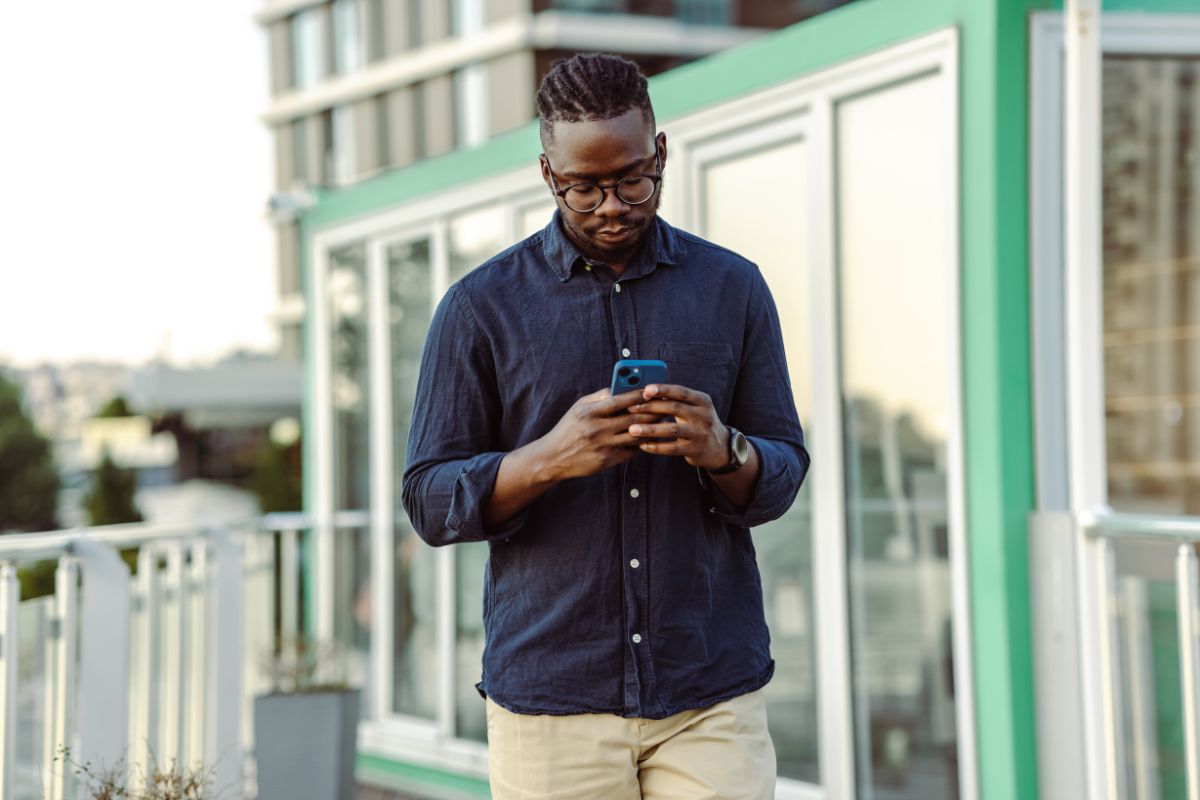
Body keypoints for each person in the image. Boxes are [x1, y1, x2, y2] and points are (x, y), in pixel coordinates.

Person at [402, 52, 809, 800]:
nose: (612, 205)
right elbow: (427, 498)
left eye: (631, 179)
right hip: (551, 702)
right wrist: (549, 459)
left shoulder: (734, 288)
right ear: (547, 175)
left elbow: (782, 472)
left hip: (708, 691)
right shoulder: (478, 308)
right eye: (584, 188)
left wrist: (724, 450)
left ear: (661, 152)